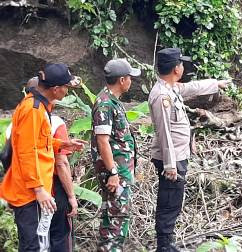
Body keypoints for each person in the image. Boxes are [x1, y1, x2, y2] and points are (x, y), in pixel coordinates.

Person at [148, 48, 230, 251]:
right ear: (176, 69)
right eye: (182, 64)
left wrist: (215, 84)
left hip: (178, 156)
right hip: (172, 159)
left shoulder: (171, 88)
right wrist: (170, 165)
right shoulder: (161, 96)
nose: (183, 67)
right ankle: (164, 246)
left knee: (174, 200)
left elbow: (191, 88)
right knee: (168, 202)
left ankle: (168, 242)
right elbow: (164, 132)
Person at [0, 63, 87, 252]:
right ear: (56, 90)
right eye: (66, 87)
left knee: (40, 245)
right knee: (34, 247)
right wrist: (39, 190)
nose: (67, 91)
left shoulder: (38, 107)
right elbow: (26, 152)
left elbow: (39, 143)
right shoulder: (33, 110)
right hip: (29, 193)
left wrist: (63, 144)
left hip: (33, 190)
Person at [90, 58, 141, 252]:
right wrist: (112, 172)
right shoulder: (105, 104)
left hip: (120, 171)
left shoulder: (111, 101)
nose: (131, 81)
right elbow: (103, 141)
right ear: (122, 80)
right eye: (130, 78)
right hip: (115, 173)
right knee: (116, 216)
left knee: (118, 214)